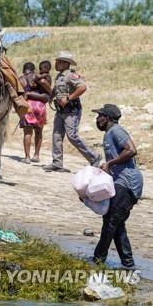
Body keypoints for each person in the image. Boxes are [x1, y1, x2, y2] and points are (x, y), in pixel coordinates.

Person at [91, 104, 143, 269]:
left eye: (99, 116)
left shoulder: (116, 131)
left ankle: (98, 260)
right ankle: (128, 263)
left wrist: (110, 163)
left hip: (128, 183)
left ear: (106, 118)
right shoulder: (108, 134)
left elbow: (132, 150)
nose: (97, 119)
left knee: (111, 220)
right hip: (119, 182)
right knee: (117, 222)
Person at [42, 51, 101, 172]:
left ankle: (94, 157)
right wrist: (51, 96)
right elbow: (57, 88)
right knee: (57, 135)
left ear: (64, 63)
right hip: (61, 111)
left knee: (72, 136)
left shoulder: (70, 75)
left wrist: (69, 98)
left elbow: (82, 87)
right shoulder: (59, 76)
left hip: (71, 111)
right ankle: (57, 163)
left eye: (58, 62)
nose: (56, 64)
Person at [19, 61, 52, 163]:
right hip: (40, 106)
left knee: (28, 132)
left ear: (24, 70)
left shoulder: (20, 79)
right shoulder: (40, 77)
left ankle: (27, 157)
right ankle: (36, 155)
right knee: (39, 131)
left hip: (28, 105)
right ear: (34, 69)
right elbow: (48, 91)